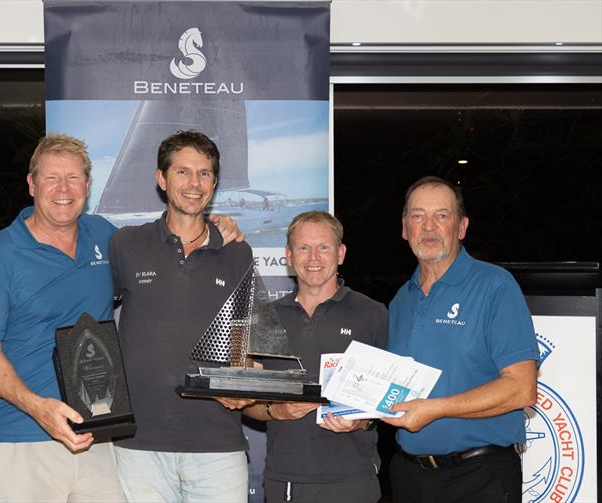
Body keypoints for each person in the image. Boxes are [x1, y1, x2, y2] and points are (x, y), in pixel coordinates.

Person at [0, 133, 243, 502]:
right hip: (23, 436)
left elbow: (171, 244)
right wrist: (37, 408)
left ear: (88, 185)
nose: (63, 189)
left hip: (98, 436)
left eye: (74, 178)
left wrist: (217, 227)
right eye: (51, 178)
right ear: (32, 184)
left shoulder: (108, 240)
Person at [110, 130, 254, 502]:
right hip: (138, 443)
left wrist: (244, 381)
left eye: (205, 173)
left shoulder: (238, 252)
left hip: (217, 444)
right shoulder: (126, 243)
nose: (195, 183)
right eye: (183, 172)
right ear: (162, 179)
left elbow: (240, 341)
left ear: (215, 182)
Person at [384, 176, 539, 503]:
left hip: (479, 477)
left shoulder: (495, 286)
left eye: (441, 215)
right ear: (404, 228)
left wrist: (434, 409)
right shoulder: (400, 302)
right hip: (408, 477)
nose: (428, 226)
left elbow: (521, 388)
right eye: (417, 216)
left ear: (462, 227)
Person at [238, 211, 388, 503]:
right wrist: (275, 411)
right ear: (289, 256)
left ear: (341, 253)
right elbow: (244, 401)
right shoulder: (265, 318)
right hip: (286, 479)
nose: (313, 258)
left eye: (324, 247)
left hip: (353, 479)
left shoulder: (372, 314)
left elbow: (389, 398)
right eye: (303, 248)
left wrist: (359, 421)